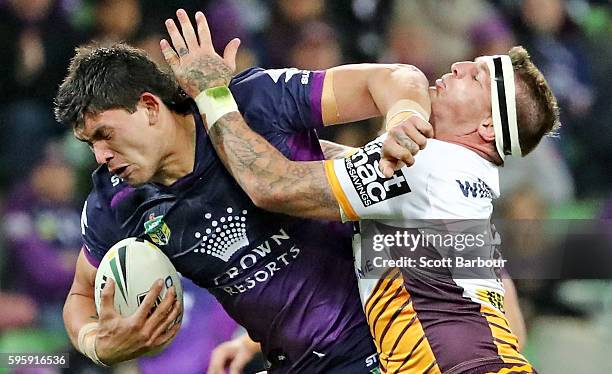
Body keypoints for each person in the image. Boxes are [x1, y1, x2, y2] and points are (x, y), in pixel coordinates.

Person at [160, 10, 560, 373]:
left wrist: (214, 96)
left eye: (475, 77)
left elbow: (272, 185)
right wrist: (241, 109)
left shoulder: (421, 167)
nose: (456, 66)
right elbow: (312, 159)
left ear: (488, 127)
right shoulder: (464, 180)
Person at [54, 10, 430, 373]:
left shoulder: (251, 102)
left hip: (386, 341)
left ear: (150, 107)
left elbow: (394, 77)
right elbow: (80, 295)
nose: (100, 156)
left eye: (105, 134)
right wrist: (97, 344)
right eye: (90, 144)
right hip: (294, 362)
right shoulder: (115, 200)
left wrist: (403, 119)